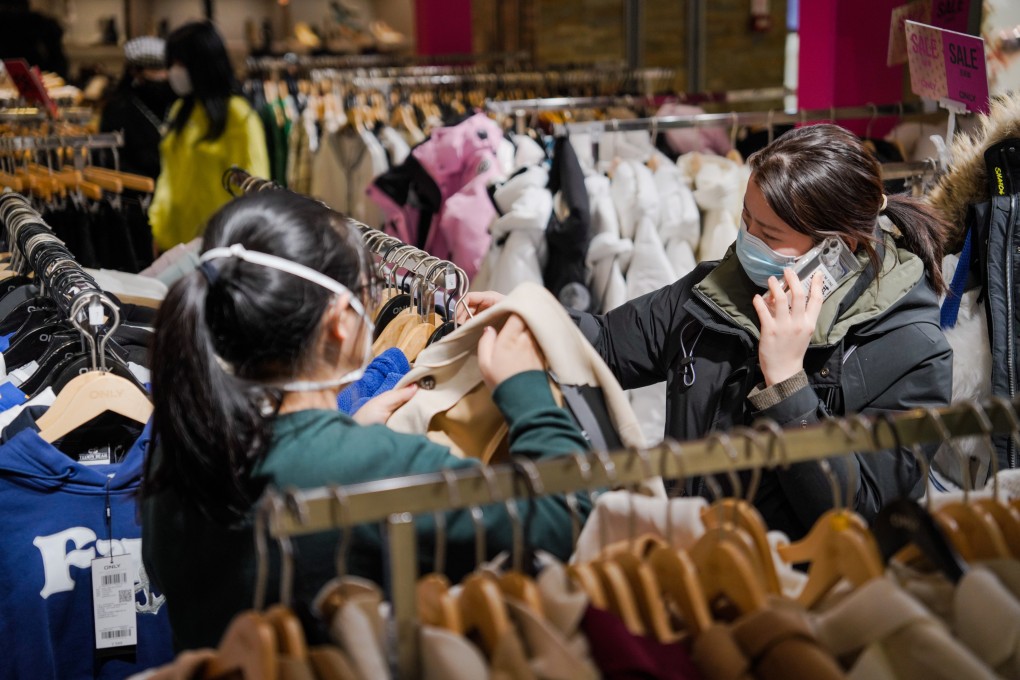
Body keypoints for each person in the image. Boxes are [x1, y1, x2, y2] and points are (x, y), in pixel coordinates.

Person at [141, 191, 590, 649]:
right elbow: (563, 518)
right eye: (367, 297)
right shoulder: (377, 471)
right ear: (339, 322)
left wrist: (347, 429)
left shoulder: (178, 444)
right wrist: (527, 388)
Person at [464, 124, 954, 541]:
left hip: (806, 596)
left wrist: (787, 383)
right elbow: (610, 342)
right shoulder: (717, 290)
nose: (747, 244)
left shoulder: (913, 350)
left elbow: (862, 515)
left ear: (838, 248)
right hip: (700, 561)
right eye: (746, 221)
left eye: (769, 235)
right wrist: (528, 317)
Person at [147, 21, 269, 254]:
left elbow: (255, 188)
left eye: (179, 63)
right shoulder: (180, 111)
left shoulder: (238, 117)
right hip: (172, 246)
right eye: (171, 63)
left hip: (219, 247)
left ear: (201, 64)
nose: (173, 71)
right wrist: (157, 229)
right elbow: (168, 179)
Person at [99, 36, 176, 180]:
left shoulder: (176, 100)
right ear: (135, 72)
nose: (163, 75)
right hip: (140, 190)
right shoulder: (118, 108)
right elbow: (112, 159)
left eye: (165, 68)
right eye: (155, 69)